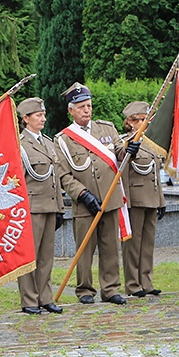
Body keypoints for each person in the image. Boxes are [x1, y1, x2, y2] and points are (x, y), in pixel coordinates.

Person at [56, 82, 137, 305]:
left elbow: (119, 151)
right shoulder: (63, 140)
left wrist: (129, 149)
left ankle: (110, 289)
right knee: (85, 249)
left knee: (110, 246)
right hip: (85, 202)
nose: (87, 110)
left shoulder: (106, 129)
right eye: (81, 106)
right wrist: (82, 195)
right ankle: (84, 290)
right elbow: (64, 175)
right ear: (71, 110)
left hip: (110, 198)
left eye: (89, 105)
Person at [16, 97, 64, 315]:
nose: (43, 118)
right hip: (31, 208)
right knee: (29, 256)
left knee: (46, 256)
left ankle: (45, 296)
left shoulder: (48, 142)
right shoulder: (20, 145)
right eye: (38, 115)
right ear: (26, 119)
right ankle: (29, 299)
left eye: (43, 114)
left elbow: (55, 178)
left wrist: (60, 207)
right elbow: (18, 181)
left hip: (50, 206)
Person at [120, 101, 165, 297]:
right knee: (133, 244)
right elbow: (123, 173)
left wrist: (162, 201)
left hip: (152, 198)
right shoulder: (126, 143)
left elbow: (156, 174)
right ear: (129, 122)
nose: (144, 123)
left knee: (148, 243)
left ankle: (146, 280)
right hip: (135, 199)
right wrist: (126, 202)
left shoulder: (151, 143)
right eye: (139, 120)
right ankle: (132, 283)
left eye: (146, 119)